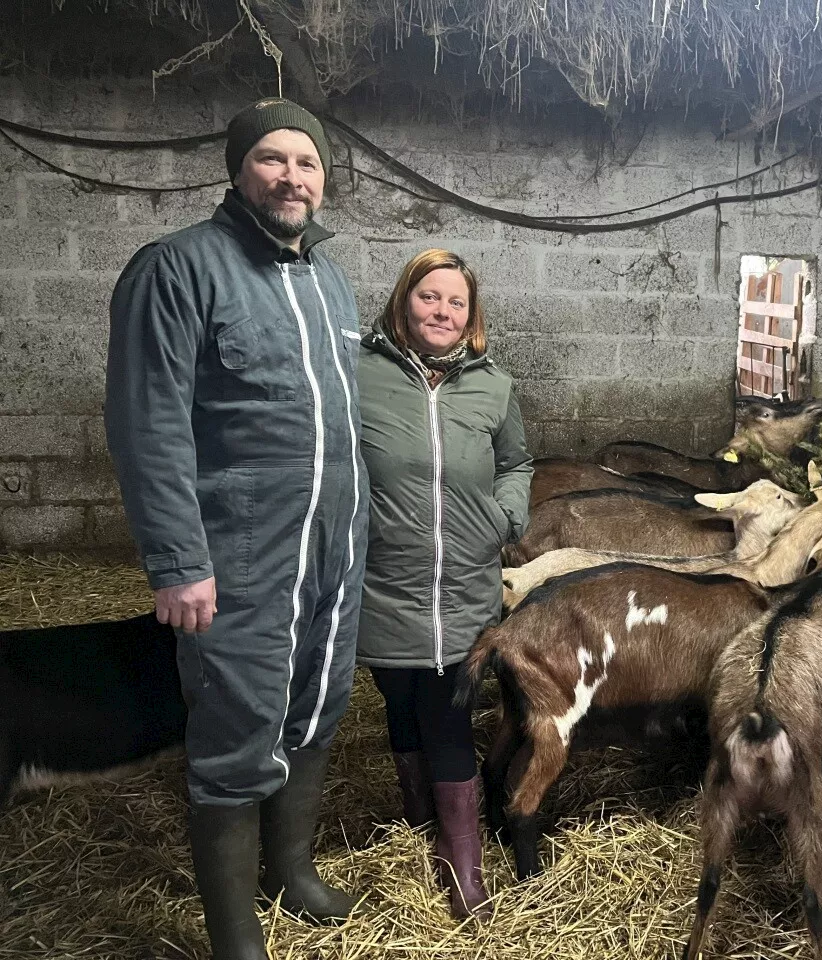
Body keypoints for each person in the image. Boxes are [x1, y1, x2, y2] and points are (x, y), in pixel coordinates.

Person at [103, 98, 367, 960]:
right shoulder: (179, 269)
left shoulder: (328, 280)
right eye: (272, 158)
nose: (292, 177)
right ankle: (235, 934)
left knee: (316, 708)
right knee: (236, 725)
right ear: (238, 168)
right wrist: (178, 562)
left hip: (333, 550)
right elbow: (149, 423)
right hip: (240, 553)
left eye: (308, 164)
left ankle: (289, 873)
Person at [356, 248, 532, 920]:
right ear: (405, 300)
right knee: (398, 701)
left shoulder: (494, 386)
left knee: (449, 712)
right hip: (385, 579)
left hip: (462, 583)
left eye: (456, 302)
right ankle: (416, 812)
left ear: (471, 314)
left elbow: (516, 462)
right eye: (430, 297)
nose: (443, 311)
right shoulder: (360, 375)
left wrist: (506, 515)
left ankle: (462, 862)